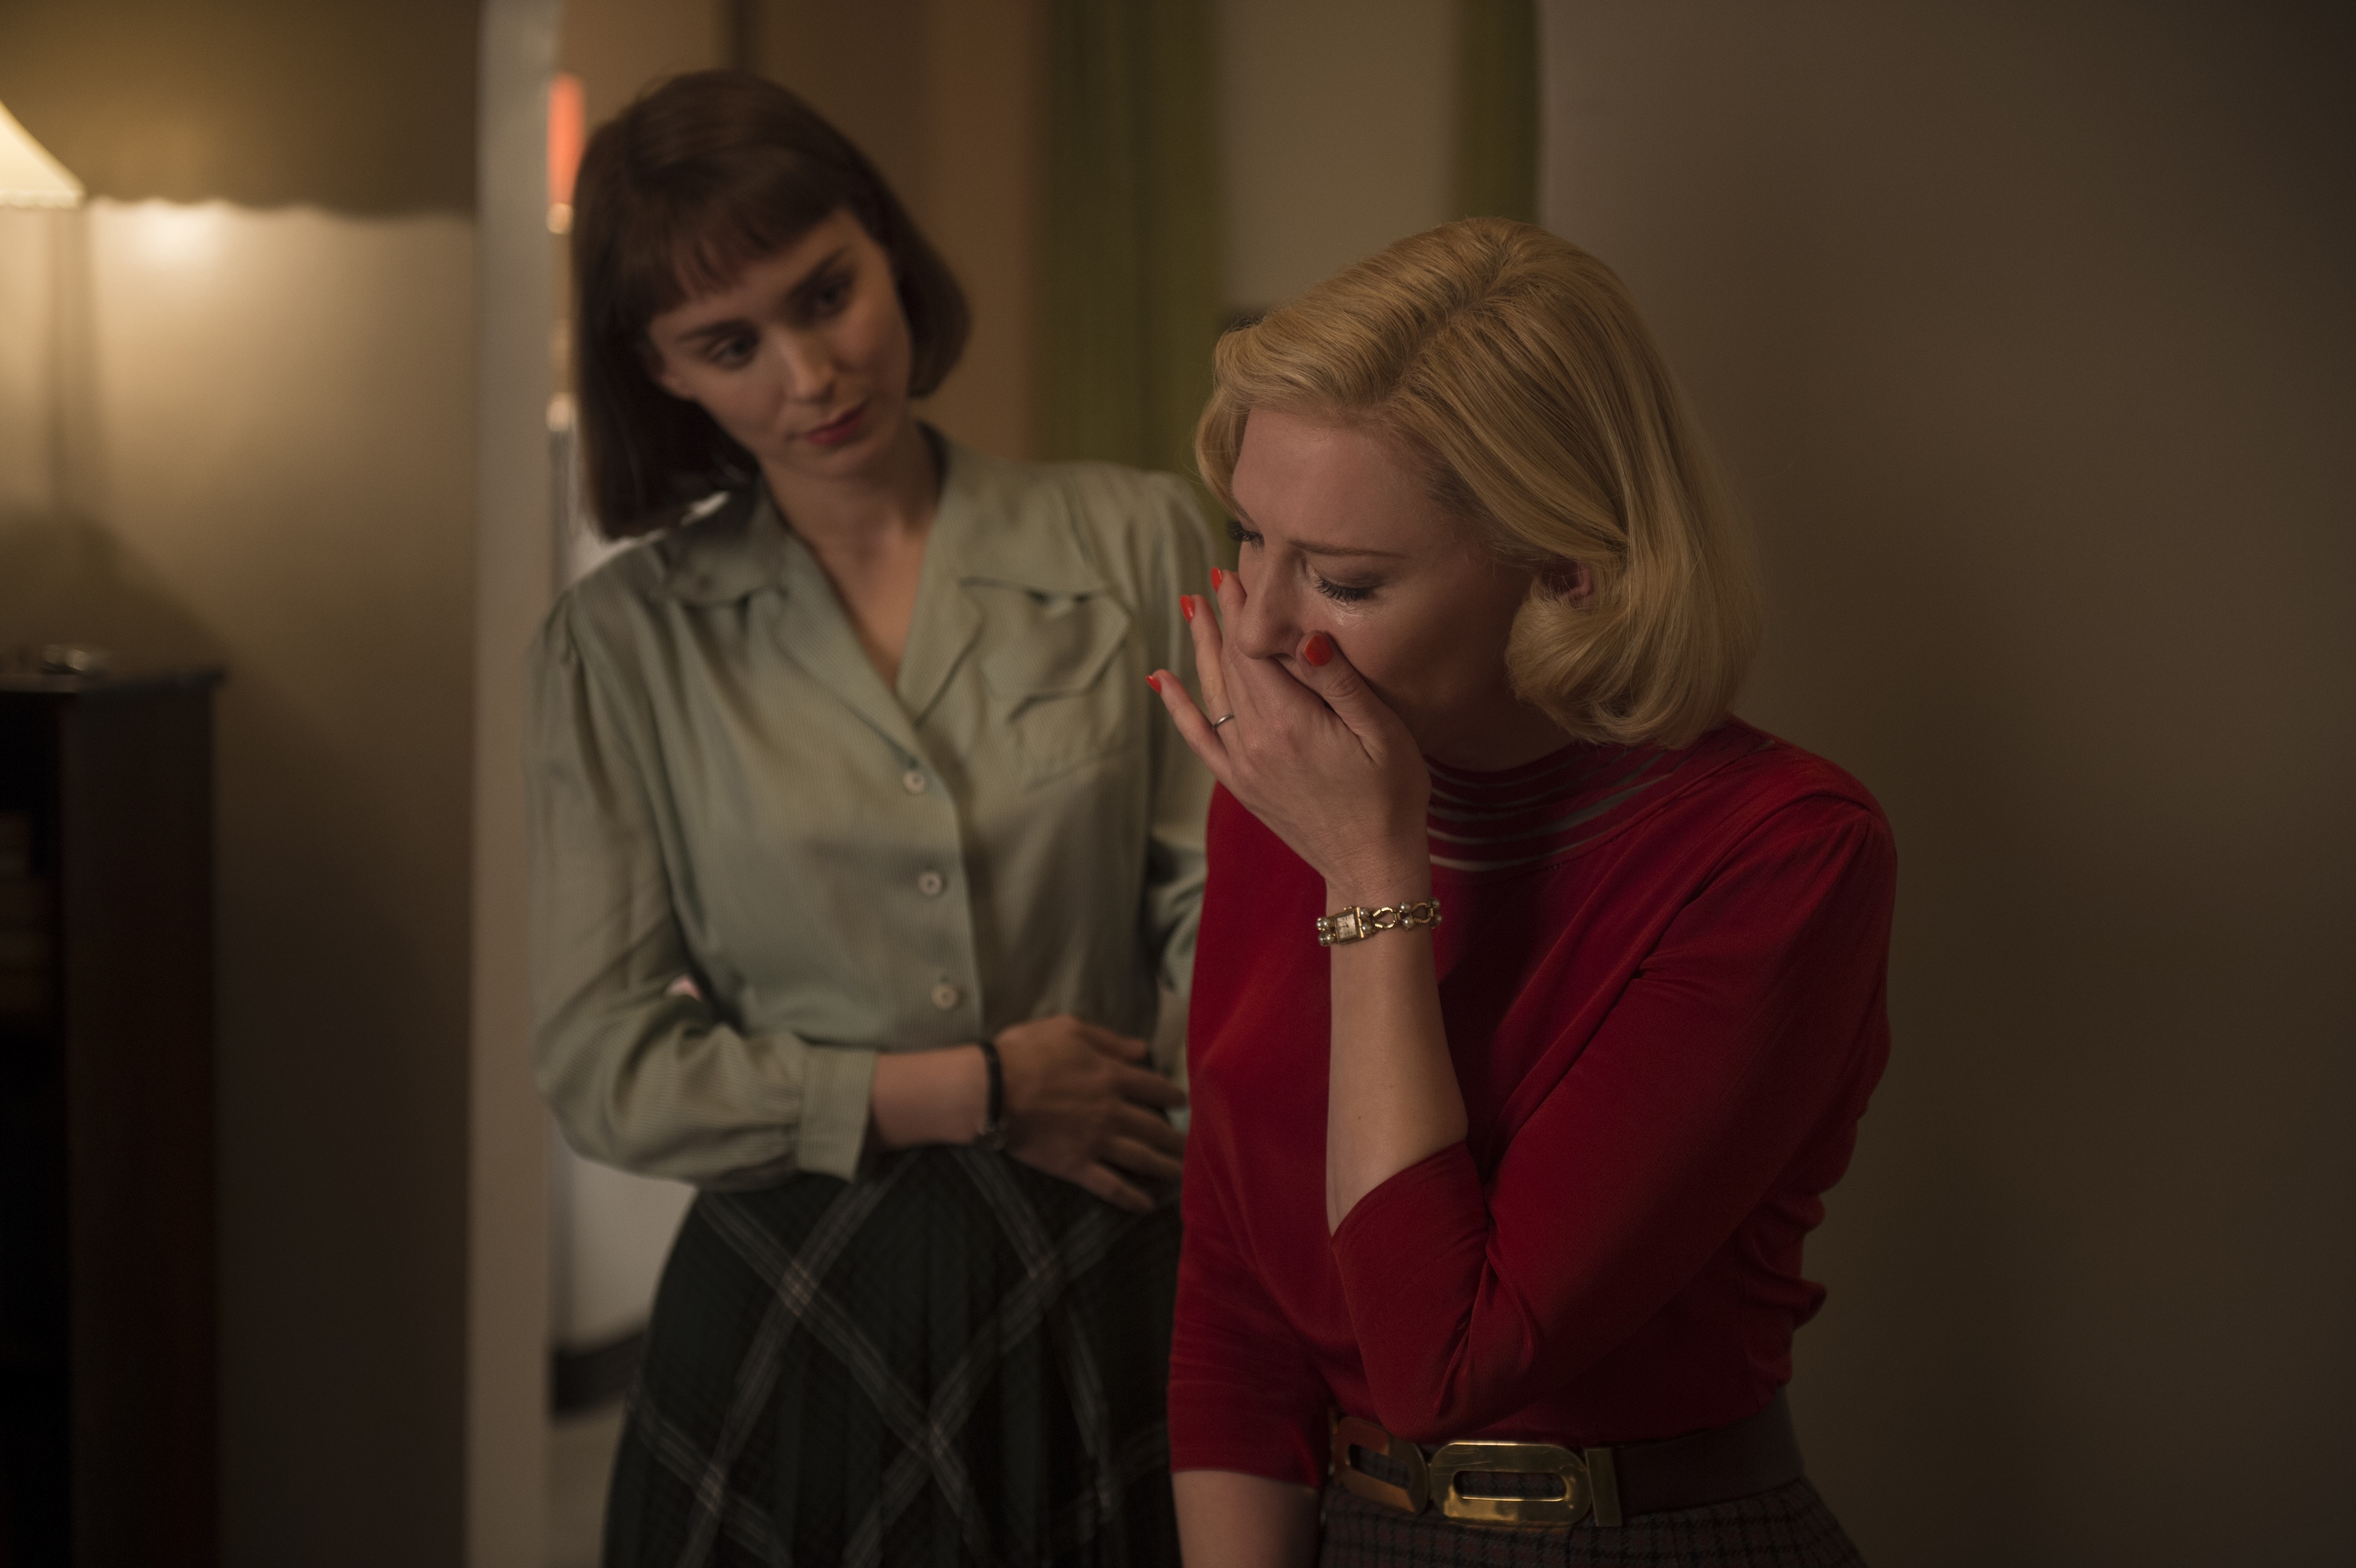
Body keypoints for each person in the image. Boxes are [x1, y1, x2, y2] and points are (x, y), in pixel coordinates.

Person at [528, 71, 1209, 1566]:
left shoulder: (1137, 536)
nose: (813, 372)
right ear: (660, 372)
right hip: (794, 1292)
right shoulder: (622, 644)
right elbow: (604, 1066)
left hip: (1111, 1243)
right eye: (731, 344)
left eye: (826, 293)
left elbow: (1219, 910)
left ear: (886, 248)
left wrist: (1208, 1136)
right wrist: (971, 1085)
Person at [1150, 219, 1895, 1566]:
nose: (1254, 625)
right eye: (1248, 536)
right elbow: (1235, 1309)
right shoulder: (1284, 792)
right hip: (1340, 1533)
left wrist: (1371, 879)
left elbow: (1446, 1358)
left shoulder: (1782, 852)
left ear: (1564, 572)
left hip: (1642, 1538)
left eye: (1342, 578)